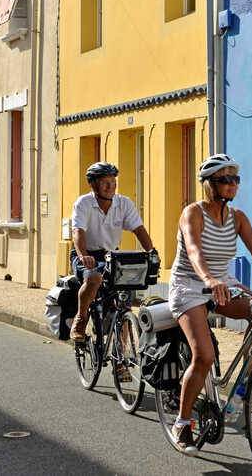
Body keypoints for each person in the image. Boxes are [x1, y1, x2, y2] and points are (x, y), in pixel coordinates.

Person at [168, 153, 252, 456]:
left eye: (235, 179)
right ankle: (183, 422)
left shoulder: (237, 217)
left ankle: (242, 387)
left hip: (222, 285)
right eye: (225, 179)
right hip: (190, 286)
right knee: (203, 356)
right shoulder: (193, 213)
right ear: (209, 184)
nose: (232, 184)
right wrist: (208, 279)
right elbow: (193, 249)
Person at [70, 162, 156, 383]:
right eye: (105, 183)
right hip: (87, 253)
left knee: (124, 304)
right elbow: (78, 232)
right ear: (93, 186)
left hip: (111, 255)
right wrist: (82, 256)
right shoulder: (84, 203)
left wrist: (152, 252)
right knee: (95, 278)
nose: (110, 187)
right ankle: (80, 319)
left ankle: (120, 361)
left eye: (113, 182)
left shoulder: (123, 203)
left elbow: (139, 230)